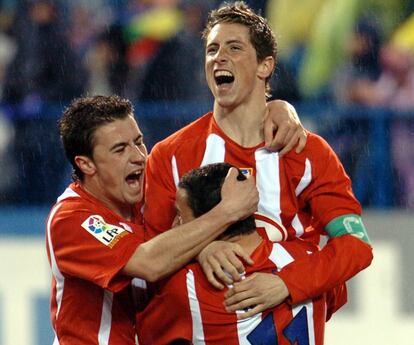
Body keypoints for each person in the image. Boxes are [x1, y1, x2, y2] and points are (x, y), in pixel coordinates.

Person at [143, 1, 373, 321]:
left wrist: (286, 283)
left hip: (287, 323)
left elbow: (355, 245)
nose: (219, 57)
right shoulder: (170, 155)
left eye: (234, 47)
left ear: (265, 66)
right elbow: (148, 251)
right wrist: (201, 248)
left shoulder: (306, 151)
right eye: (212, 50)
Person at [45, 95, 259, 344]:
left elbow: (179, 236)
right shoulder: (71, 220)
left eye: (139, 142)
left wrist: (275, 110)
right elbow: (149, 263)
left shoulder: (149, 194)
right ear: (86, 164)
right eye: (120, 149)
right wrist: (226, 213)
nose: (138, 156)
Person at [137, 162, 347, 345]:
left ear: (213, 219)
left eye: (181, 217)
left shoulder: (186, 285)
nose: (174, 226)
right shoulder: (312, 259)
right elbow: (332, 298)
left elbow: (144, 334)